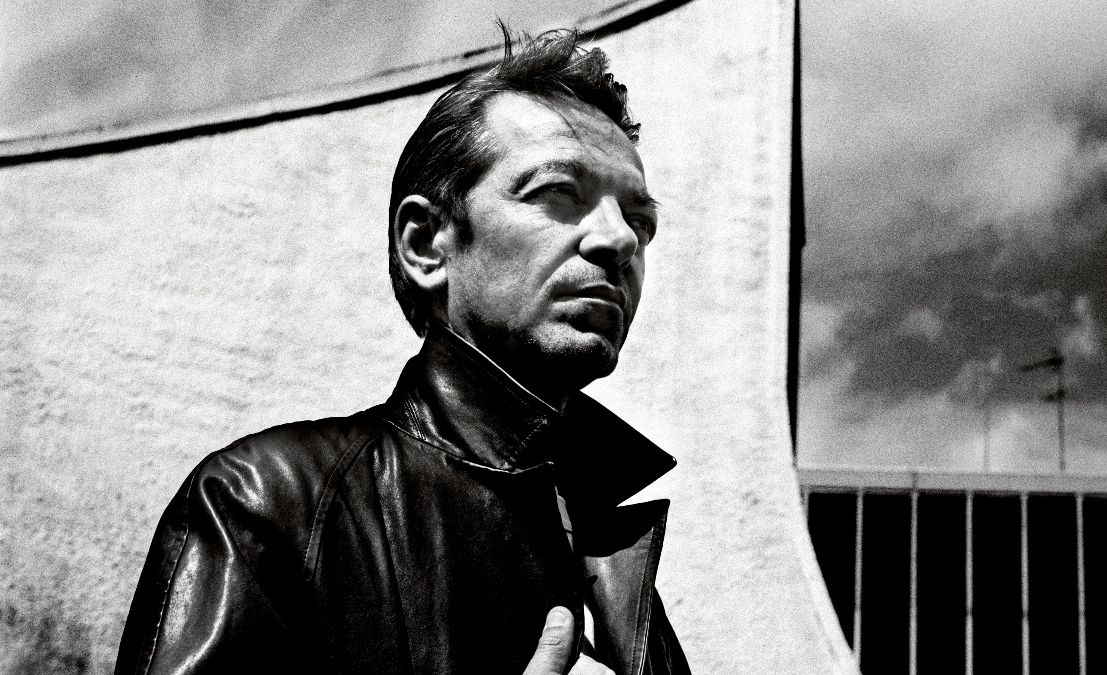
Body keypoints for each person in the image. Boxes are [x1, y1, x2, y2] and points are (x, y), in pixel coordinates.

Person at [115, 25, 690, 675]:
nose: (620, 240)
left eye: (640, 220)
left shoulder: (612, 555)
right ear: (424, 245)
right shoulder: (267, 503)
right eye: (557, 192)